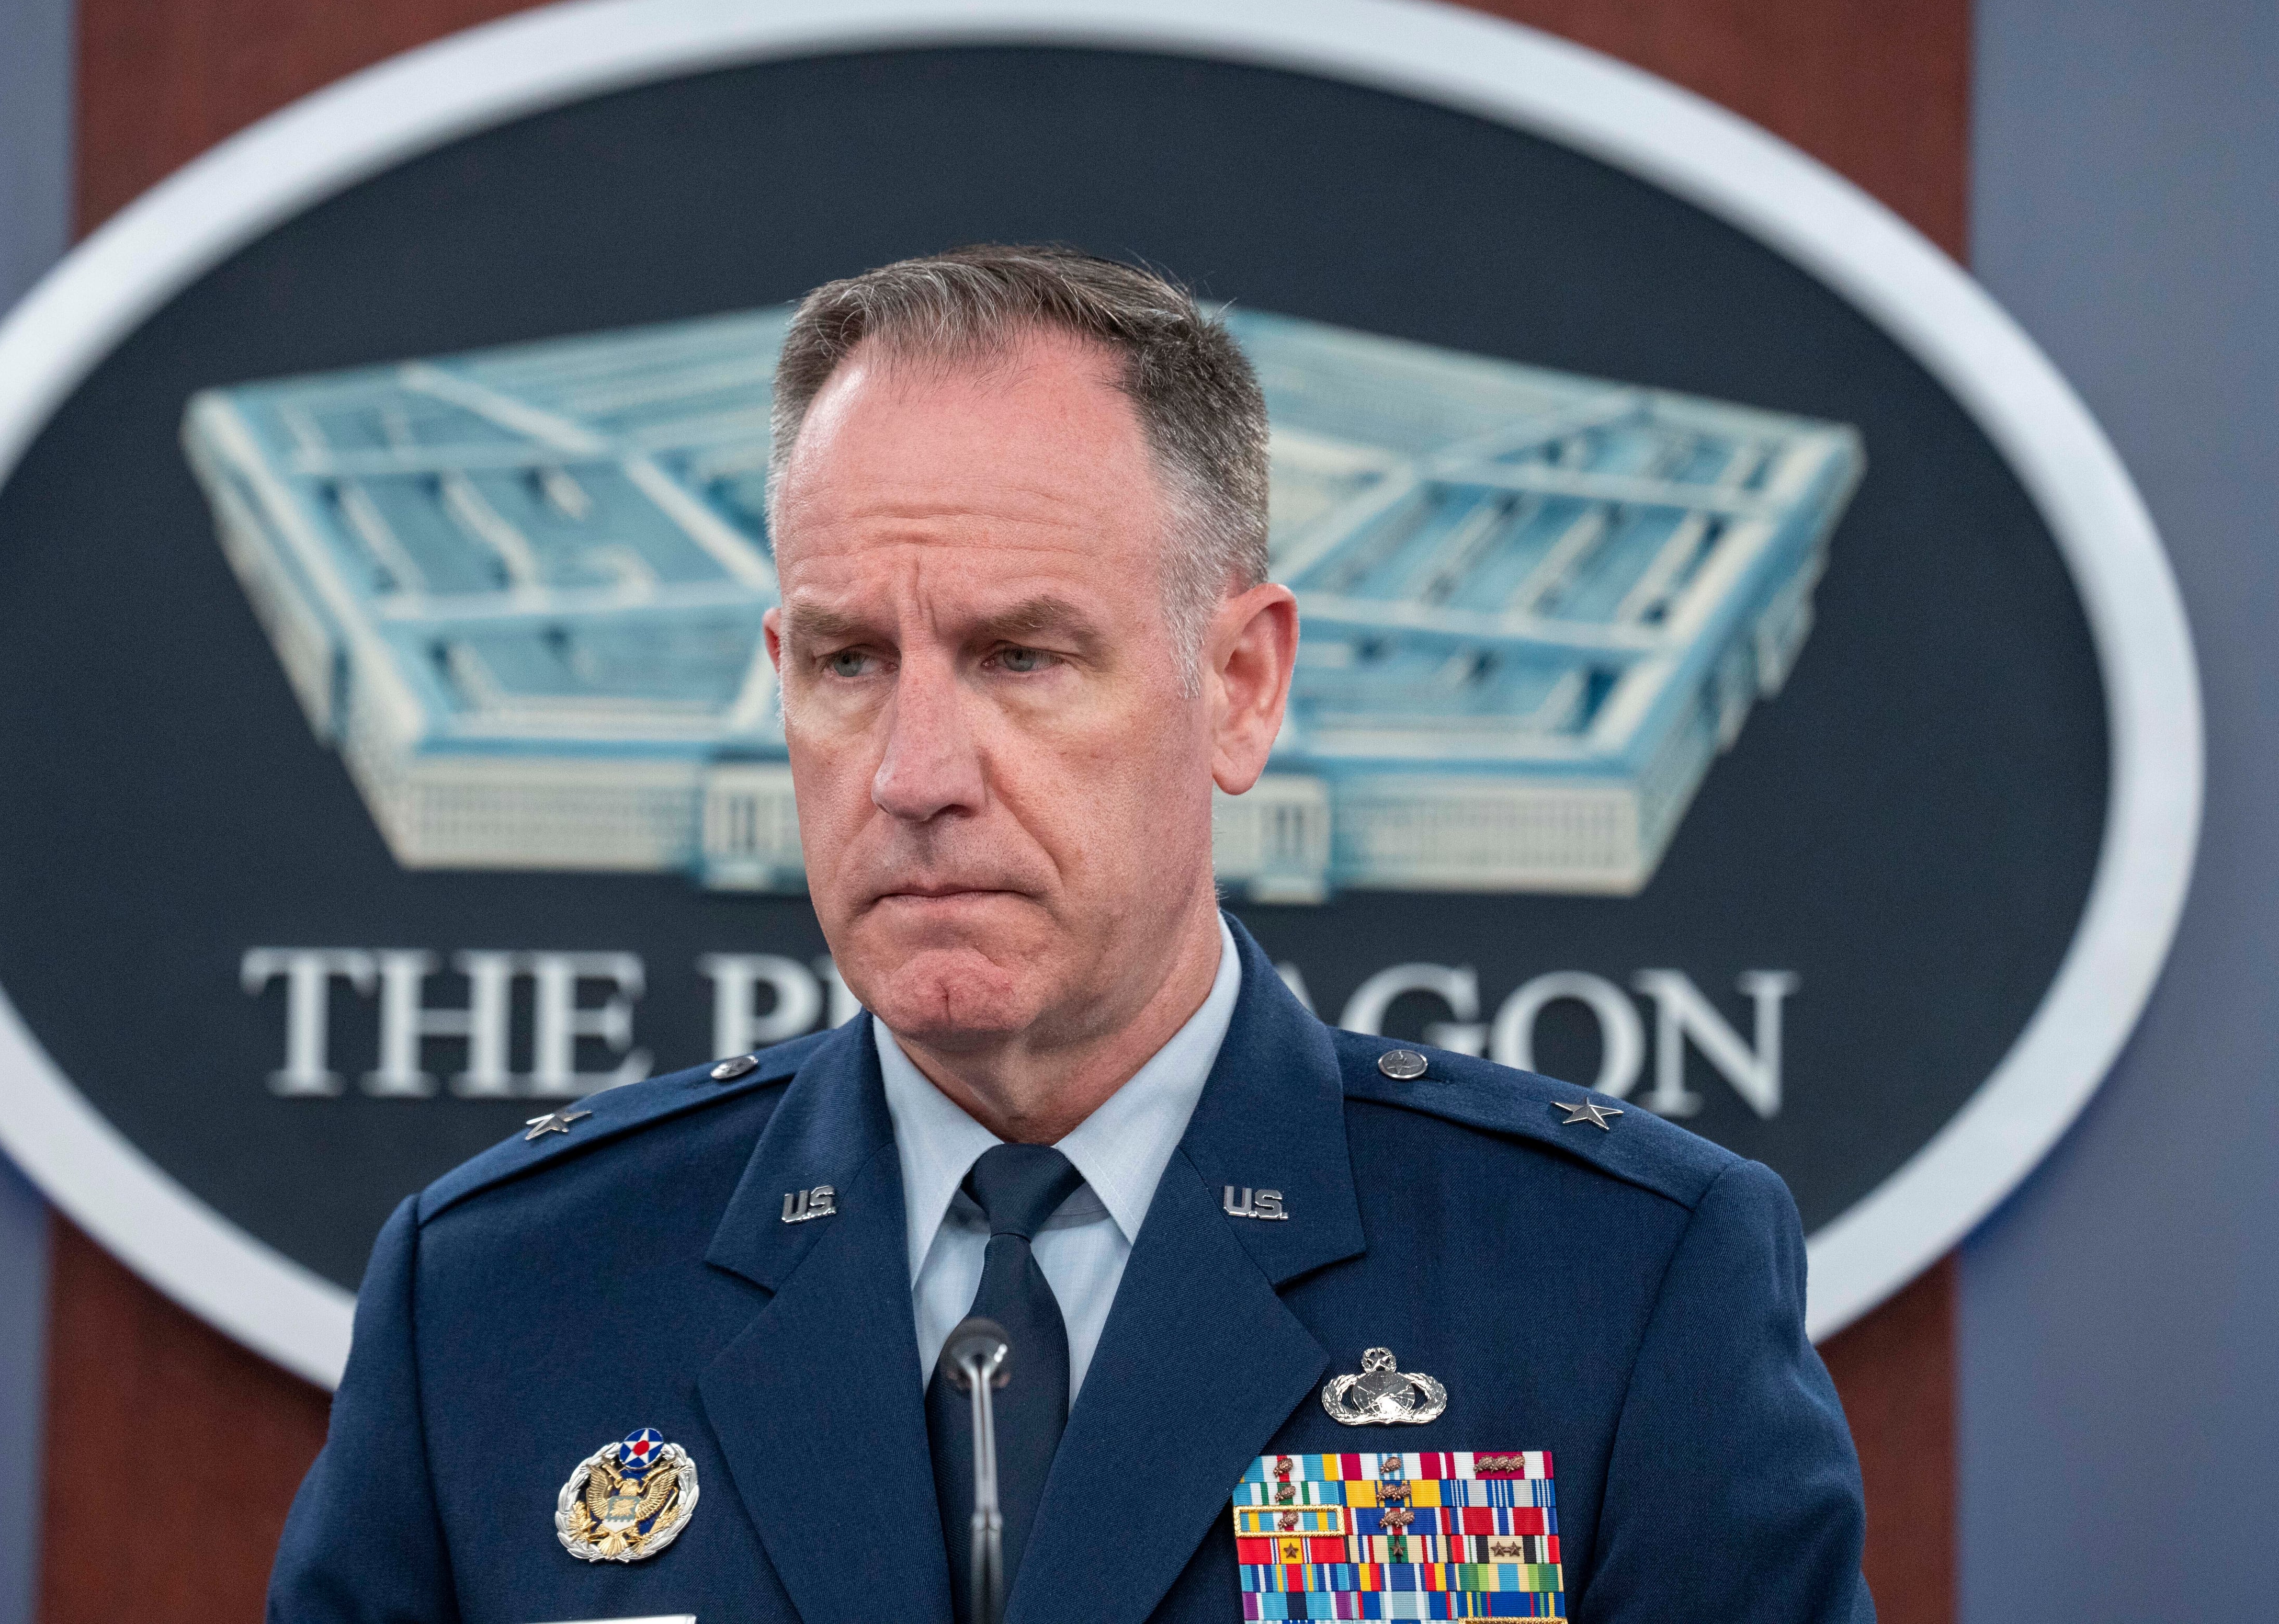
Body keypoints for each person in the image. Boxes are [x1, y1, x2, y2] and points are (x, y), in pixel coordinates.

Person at [267, 246, 1876, 1624]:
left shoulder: (1611, 1284)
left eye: (1023, 656)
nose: (914, 777)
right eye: (845, 664)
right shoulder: (500, 1301)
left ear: (1241, 685)